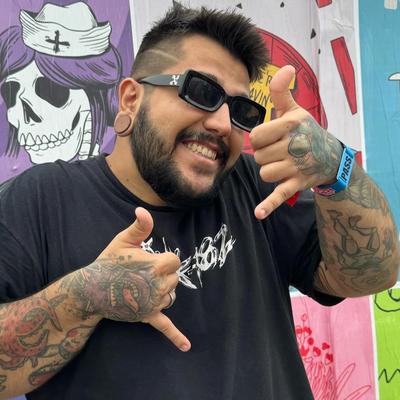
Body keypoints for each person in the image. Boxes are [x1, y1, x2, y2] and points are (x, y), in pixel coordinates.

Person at [0, 4, 398, 400]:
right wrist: (83, 297)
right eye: (202, 92)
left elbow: (369, 276)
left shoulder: (256, 186)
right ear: (131, 98)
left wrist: (337, 171)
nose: (223, 124)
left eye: (241, 110)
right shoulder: (39, 201)